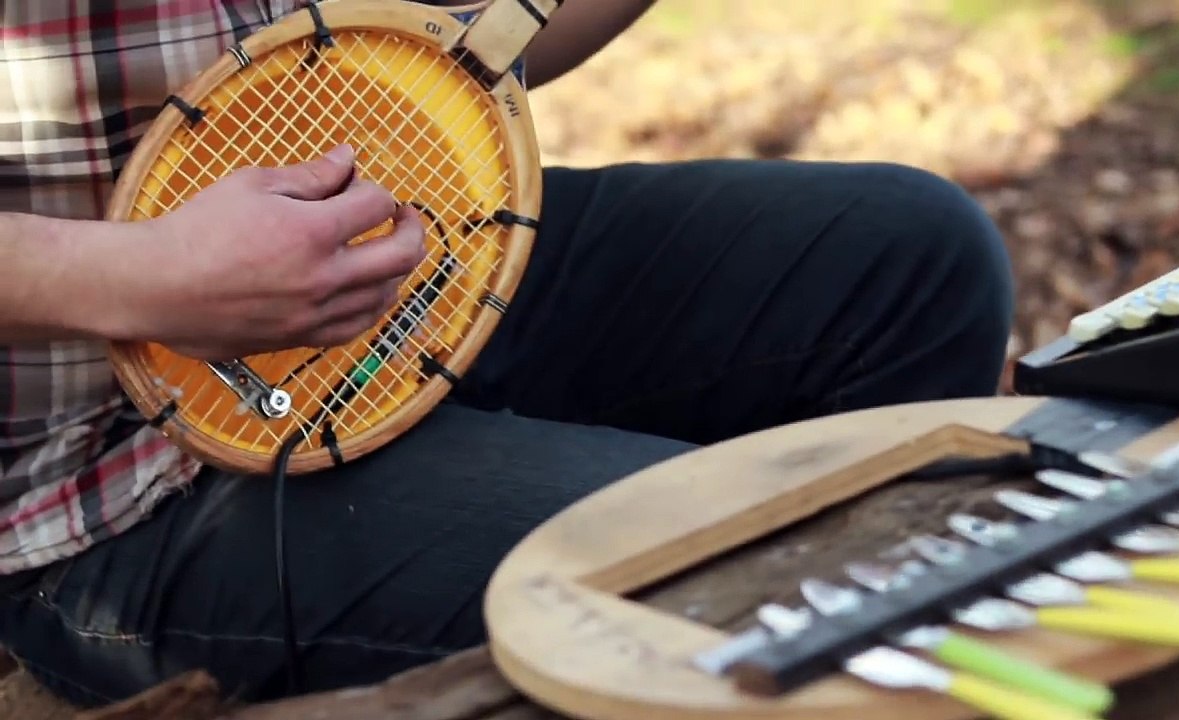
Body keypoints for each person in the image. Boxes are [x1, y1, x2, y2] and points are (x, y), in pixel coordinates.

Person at [0, 0, 1015, 710]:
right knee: (709, 559)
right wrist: (142, 276)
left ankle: (893, 659)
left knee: (912, 263)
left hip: (416, 256)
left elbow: (468, 32)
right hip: (109, 486)